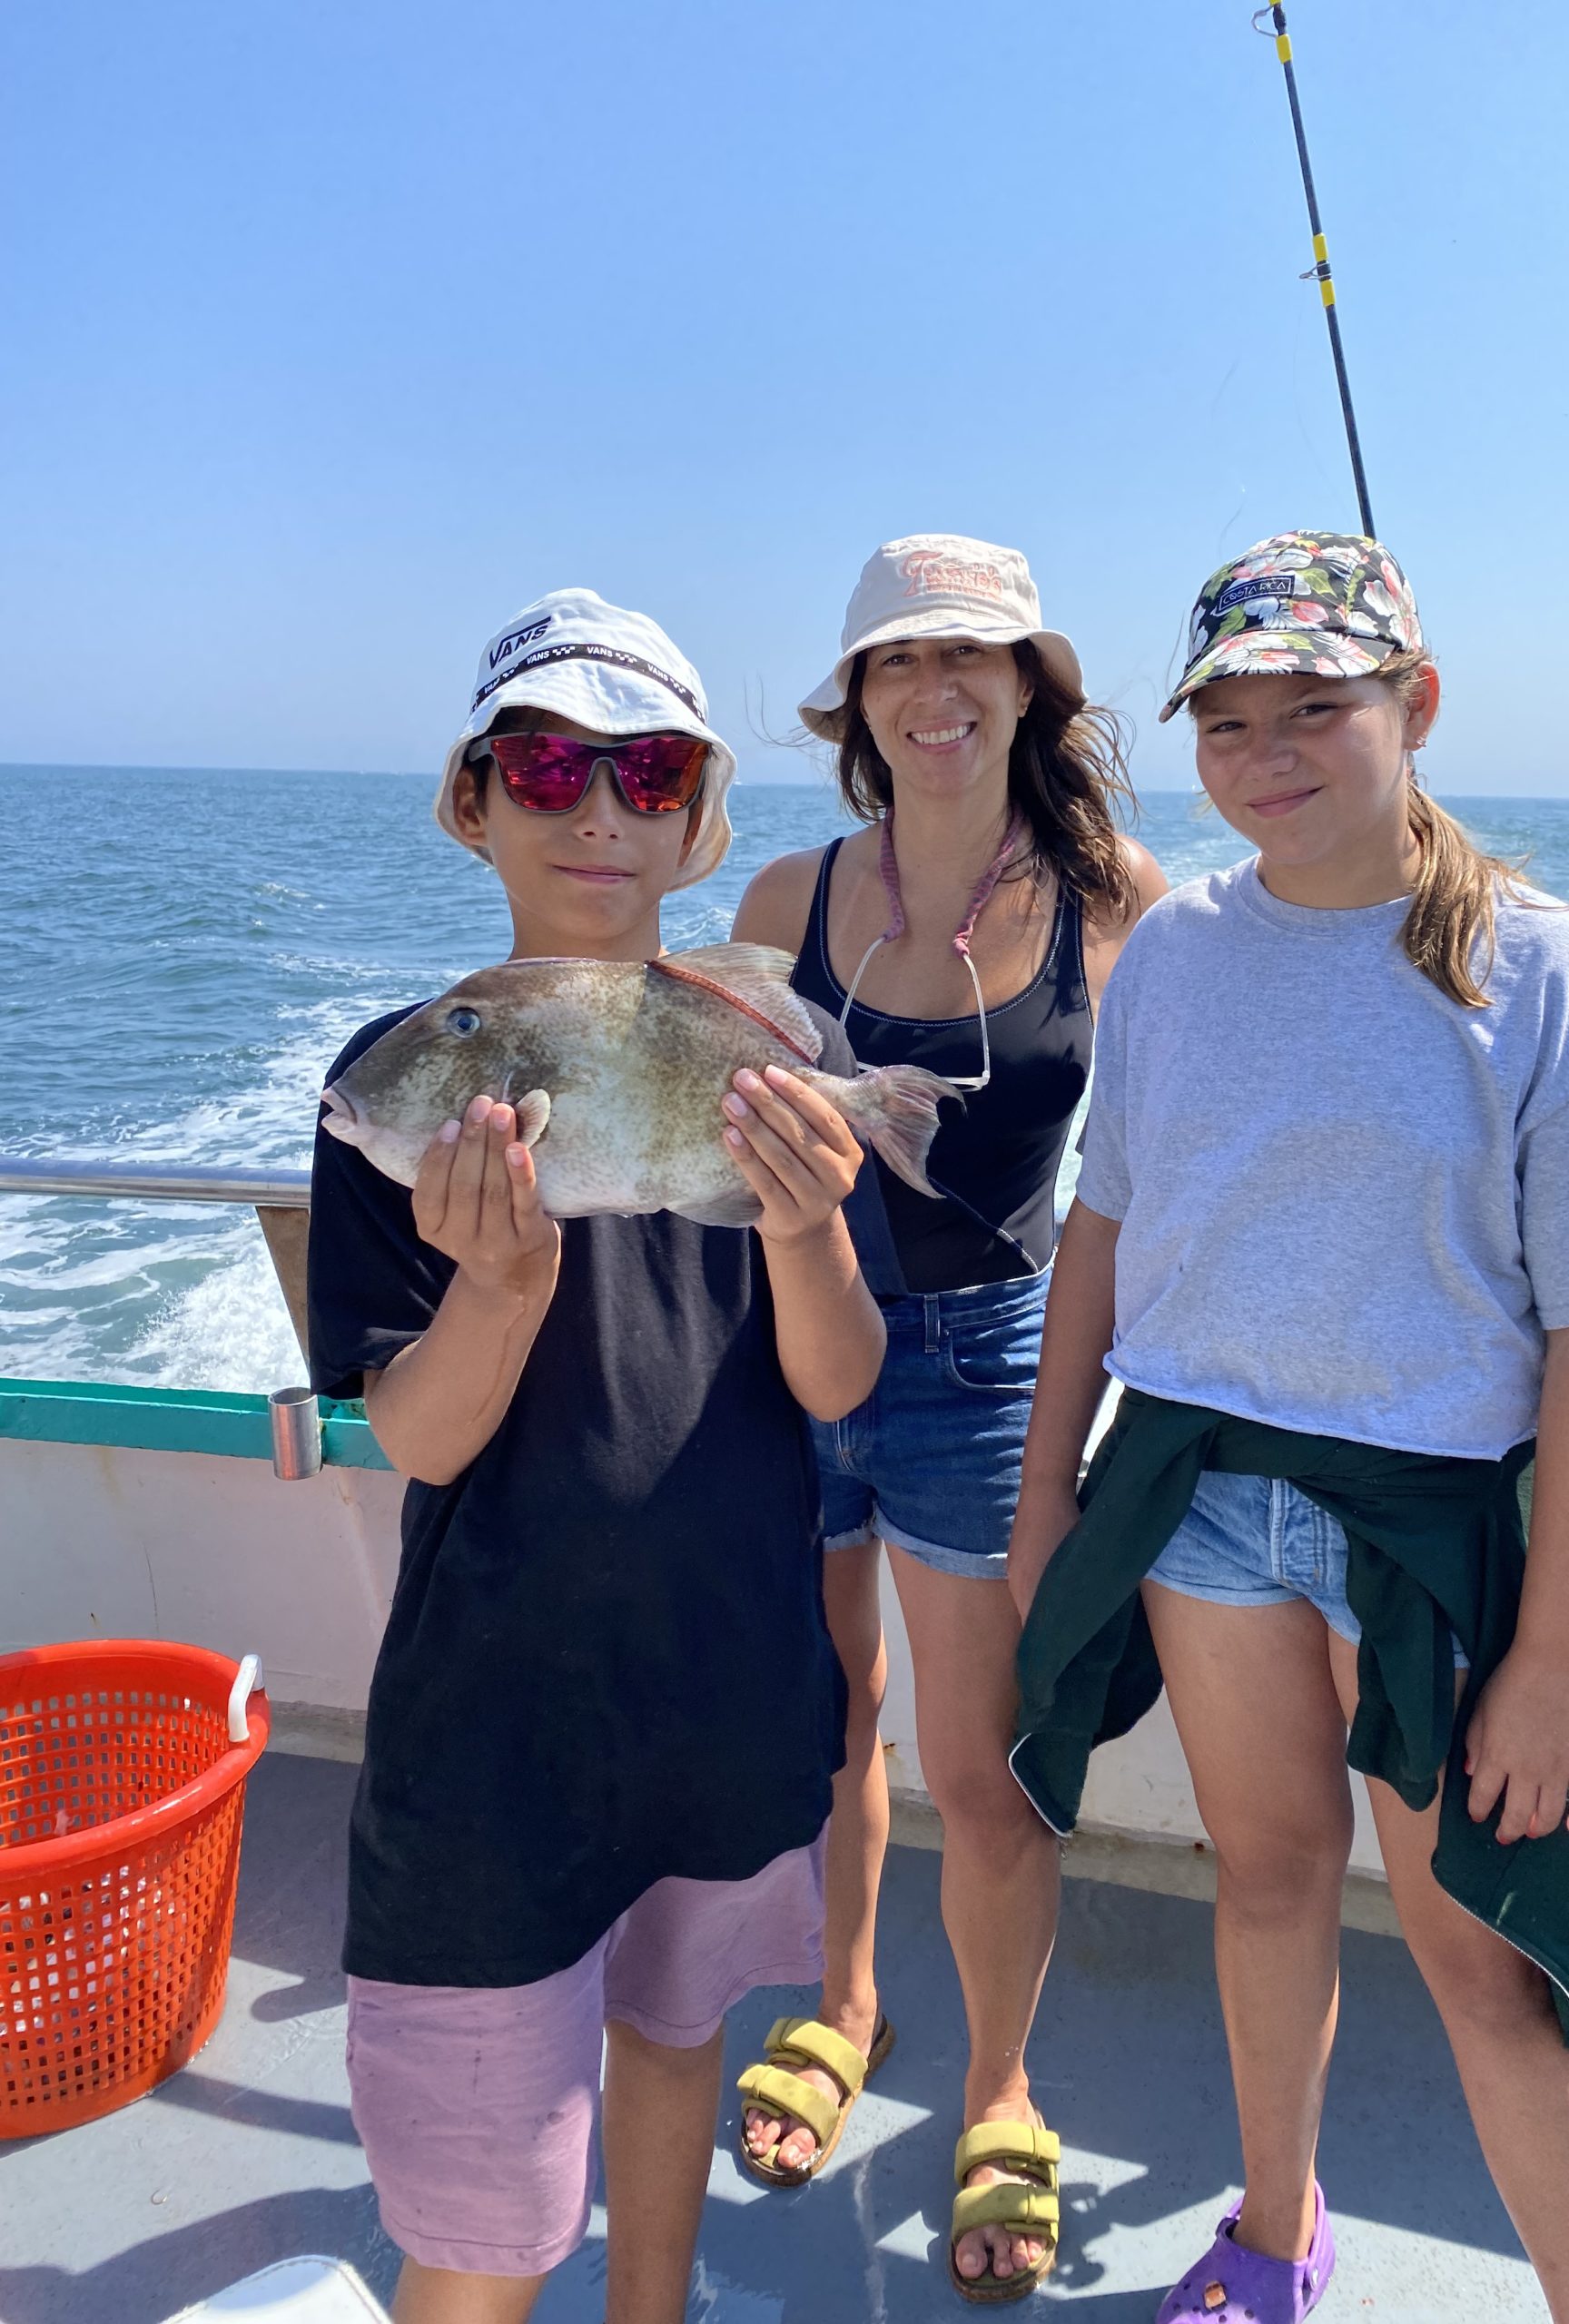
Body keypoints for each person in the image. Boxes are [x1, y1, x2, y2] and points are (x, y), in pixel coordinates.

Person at [1006, 531, 1569, 2324]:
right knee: (1269, 1876)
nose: (1270, 752)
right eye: (1229, 721)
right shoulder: (1169, 953)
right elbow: (1104, 1229)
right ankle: (1271, 2224)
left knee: (1489, 1968)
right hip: (1199, 1495)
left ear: (1419, 704)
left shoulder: (1554, 978)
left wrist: (1555, 1655)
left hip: (1432, 1523)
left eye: (1317, 704)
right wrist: (1042, 1503)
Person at [306, 588, 887, 2324]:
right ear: (471, 799)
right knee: (482, 2227)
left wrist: (809, 1235)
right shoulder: (410, 1079)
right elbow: (415, 1432)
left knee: (676, 2035)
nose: (598, 811)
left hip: (724, 1694)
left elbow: (840, 1380)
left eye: (648, 772)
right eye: (548, 763)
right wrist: (499, 1286)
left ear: (702, 815)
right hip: (495, 1735)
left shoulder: (777, 1054)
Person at [732, 534, 1168, 2298]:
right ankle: (846, 2000)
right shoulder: (782, 900)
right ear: (857, 704)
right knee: (833, 1717)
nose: (936, 691)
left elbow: (1185, 1148)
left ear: (1029, 687)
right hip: (791, 1340)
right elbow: (694, 1116)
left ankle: (1000, 2086)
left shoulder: (1120, 900)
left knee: (985, 1778)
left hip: (997, 1362)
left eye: (970, 658)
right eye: (900, 663)